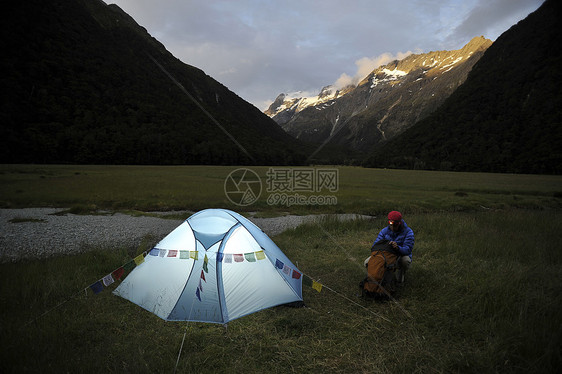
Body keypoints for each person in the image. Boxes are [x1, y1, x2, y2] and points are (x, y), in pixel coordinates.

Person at [364, 211, 414, 283]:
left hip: (400, 255)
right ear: (389, 222)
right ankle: (378, 277)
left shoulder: (408, 232)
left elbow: (407, 250)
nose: (393, 228)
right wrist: (385, 245)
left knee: (405, 261)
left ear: (400, 223)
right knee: (367, 262)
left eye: (395, 225)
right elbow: (375, 246)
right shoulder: (384, 231)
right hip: (385, 255)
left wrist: (398, 248)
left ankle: (400, 274)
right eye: (391, 225)